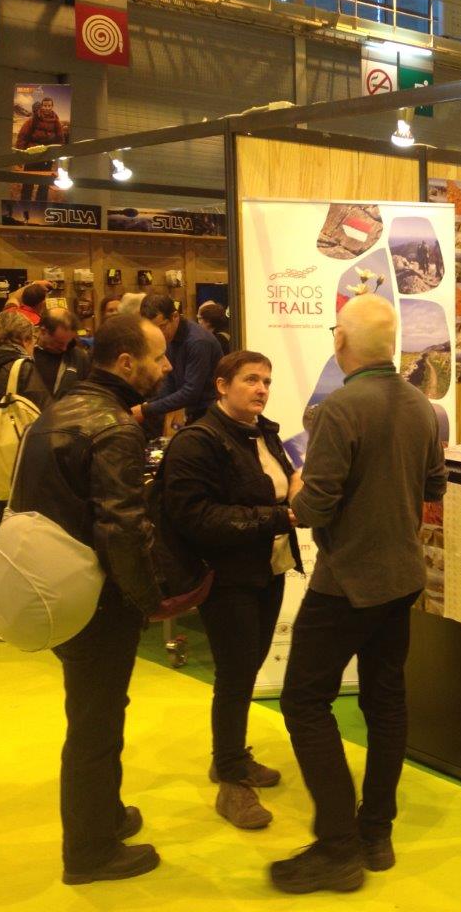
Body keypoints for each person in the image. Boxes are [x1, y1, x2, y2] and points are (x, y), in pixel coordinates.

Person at [272, 294, 446, 894]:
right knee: (385, 702)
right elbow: (434, 486)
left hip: (346, 581)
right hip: (401, 577)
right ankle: (376, 833)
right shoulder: (422, 406)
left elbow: (313, 507)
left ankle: (337, 846)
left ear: (341, 341)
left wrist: (295, 492)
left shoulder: (340, 409)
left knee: (303, 702)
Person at [7, 313, 171, 884]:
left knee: (97, 714)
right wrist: (149, 600)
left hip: (60, 591)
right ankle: (89, 852)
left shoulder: (57, 412)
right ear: (126, 363)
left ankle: (103, 816)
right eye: (157, 357)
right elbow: (122, 530)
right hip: (96, 600)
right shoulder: (115, 428)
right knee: (94, 725)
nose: (166, 367)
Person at [162, 350, 301, 830]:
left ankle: (231, 757)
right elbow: (194, 517)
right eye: (250, 380)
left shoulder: (264, 433)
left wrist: (295, 490)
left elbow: (277, 488)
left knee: (245, 670)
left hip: (269, 569)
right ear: (222, 385)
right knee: (235, 673)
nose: (262, 389)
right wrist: (278, 517)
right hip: (226, 577)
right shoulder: (198, 442)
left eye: (267, 381)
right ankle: (231, 780)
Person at [0, 310, 47, 540]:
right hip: (14, 460)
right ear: (25, 339)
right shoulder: (21, 367)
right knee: (20, 530)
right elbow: (43, 416)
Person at [137, 294, 222, 426]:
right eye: (153, 329)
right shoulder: (171, 336)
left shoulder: (198, 342)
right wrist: (146, 405)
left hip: (211, 416)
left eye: (162, 326)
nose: (158, 333)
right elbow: (169, 384)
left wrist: (146, 410)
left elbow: (191, 393)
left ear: (175, 316)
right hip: (195, 413)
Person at [34, 308, 92, 399]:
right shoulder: (26, 355)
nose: (64, 348)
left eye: (68, 343)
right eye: (59, 343)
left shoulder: (79, 358)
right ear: (43, 331)